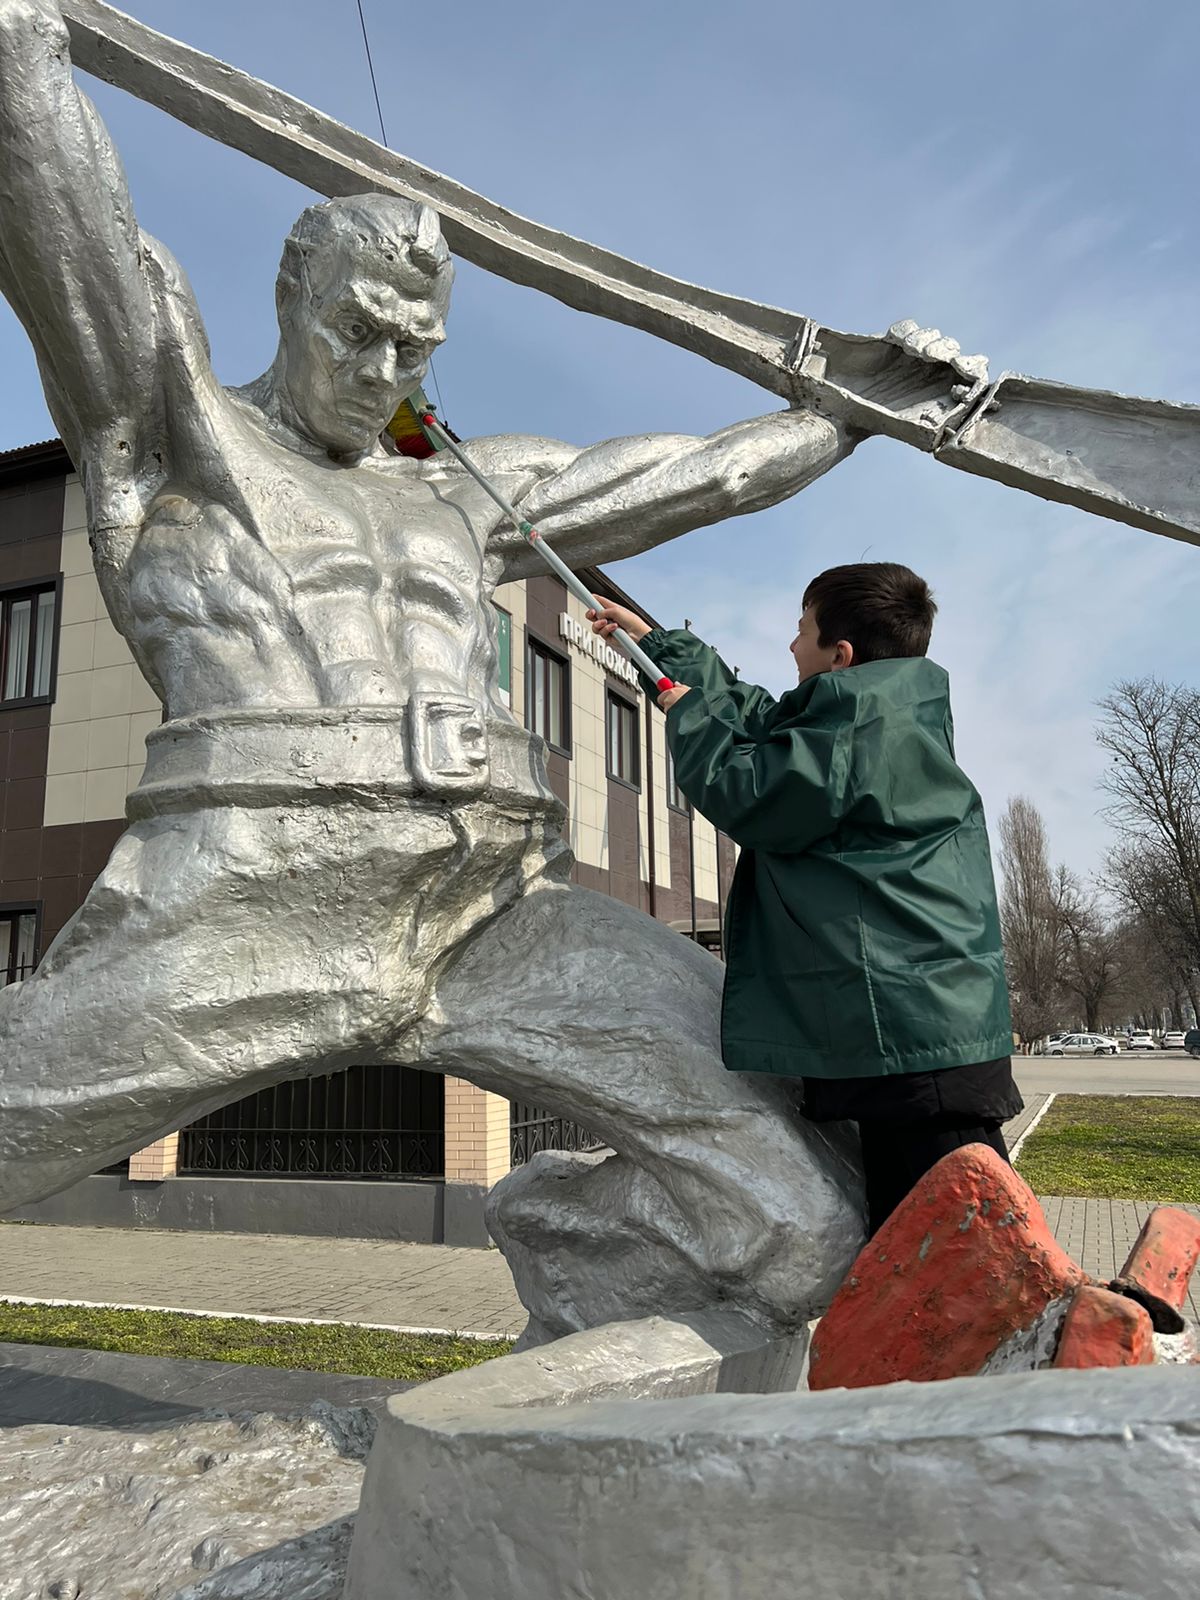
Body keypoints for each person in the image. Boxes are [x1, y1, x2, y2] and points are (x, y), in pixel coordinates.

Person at [589, 562, 1021, 1236]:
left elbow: (749, 791)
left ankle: (1075, 1331)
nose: (791, 647)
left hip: (911, 1043)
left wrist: (691, 718)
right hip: (920, 1033)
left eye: (801, 633)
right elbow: (760, 717)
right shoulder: (874, 715)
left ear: (838, 655)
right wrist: (658, 647)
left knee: (954, 1252)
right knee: (948, 1240)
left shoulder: (854, 735)